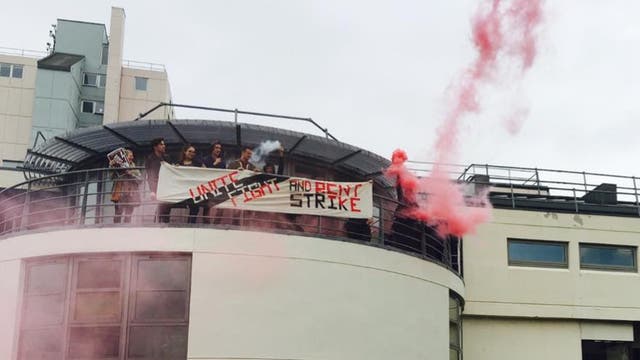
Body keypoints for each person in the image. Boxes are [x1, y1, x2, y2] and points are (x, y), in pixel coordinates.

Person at [110, 149, 142, 224]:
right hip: (120, 193)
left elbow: (140, 179)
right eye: (130, 156)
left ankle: (127, 229)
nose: (132, 157)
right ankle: (115, 229)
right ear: (124, 157)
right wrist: (112, 167)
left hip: (131, 194)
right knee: (118, 213)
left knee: (128, 215)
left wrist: (131, 174)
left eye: (132, 156)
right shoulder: (117, 165)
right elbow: (111, 178)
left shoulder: (133, 166)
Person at [145, 138, 172, 223]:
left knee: (166, 206)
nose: (164, 146)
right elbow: (150, 176)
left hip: (166, 186)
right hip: (156, 186)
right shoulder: (150, 159)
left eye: (164, 144)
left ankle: (163, 223)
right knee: (161, 205)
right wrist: (152, 190)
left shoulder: (167, 157)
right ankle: (157, 223)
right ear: (155, 147)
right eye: (161, 144)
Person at [177, 144, 204, 223]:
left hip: (193, 190)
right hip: (182, 190)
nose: (192, 153)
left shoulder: (197, 163)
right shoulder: (179, 163)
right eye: (190, 151)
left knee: (195, 208)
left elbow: (206, 172)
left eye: (193, 152)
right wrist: (175, 168)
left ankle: (190, 224)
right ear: (185, 152)